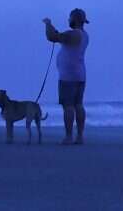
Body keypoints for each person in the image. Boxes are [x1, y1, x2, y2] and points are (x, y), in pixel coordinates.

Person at [42, 8, 90, 144]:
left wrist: (48, 24)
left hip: (69, 76)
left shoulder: (74, 34)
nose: (68, 20)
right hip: (80, 74)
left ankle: (69, 136)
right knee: (78, 105)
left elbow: (52, 37)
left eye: (70, 18)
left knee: (68, 106)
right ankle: (79, 136)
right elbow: (60, 37)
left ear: (74, 20)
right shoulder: (84, 35)